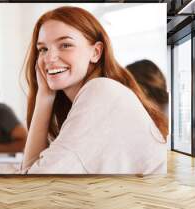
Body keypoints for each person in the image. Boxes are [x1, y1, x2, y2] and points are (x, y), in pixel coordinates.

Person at [21, 6, 168, 174]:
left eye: (65, 45)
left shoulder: (100, 91)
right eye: (43, 49)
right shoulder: (84, 100)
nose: (49, 58)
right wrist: (44, 96)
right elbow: (31, 175)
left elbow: (32, 181)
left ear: (96, 52)